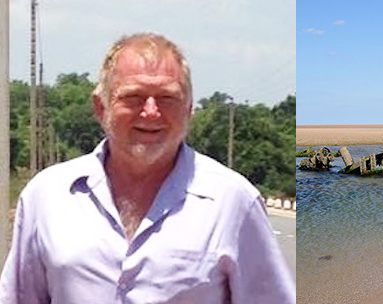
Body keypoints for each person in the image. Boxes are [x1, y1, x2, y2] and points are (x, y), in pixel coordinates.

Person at [0, 33, 295, 304]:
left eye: (167, 98)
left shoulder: (233, 201)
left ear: (190, 109)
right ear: (101, 106)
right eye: (133, 97)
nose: (151, 112)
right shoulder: (48, 195)